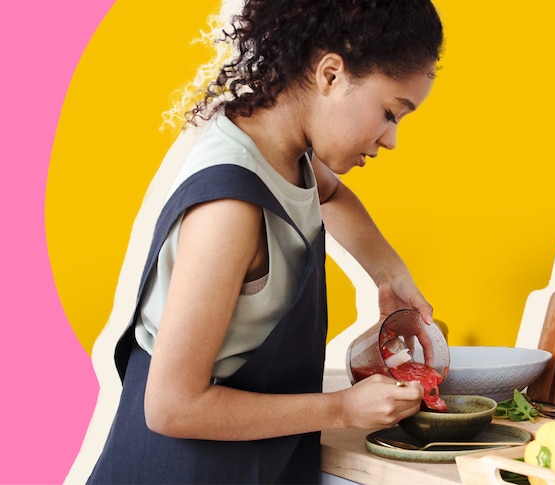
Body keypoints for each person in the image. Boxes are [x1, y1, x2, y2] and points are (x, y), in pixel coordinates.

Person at [87, 0, 445, 483]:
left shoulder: (286, 154)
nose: (391, 139)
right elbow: (171, 406)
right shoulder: (230, 211)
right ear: (331, 75)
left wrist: (390, 274)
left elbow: (333, 195)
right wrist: (341, 409)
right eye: (390, 112)